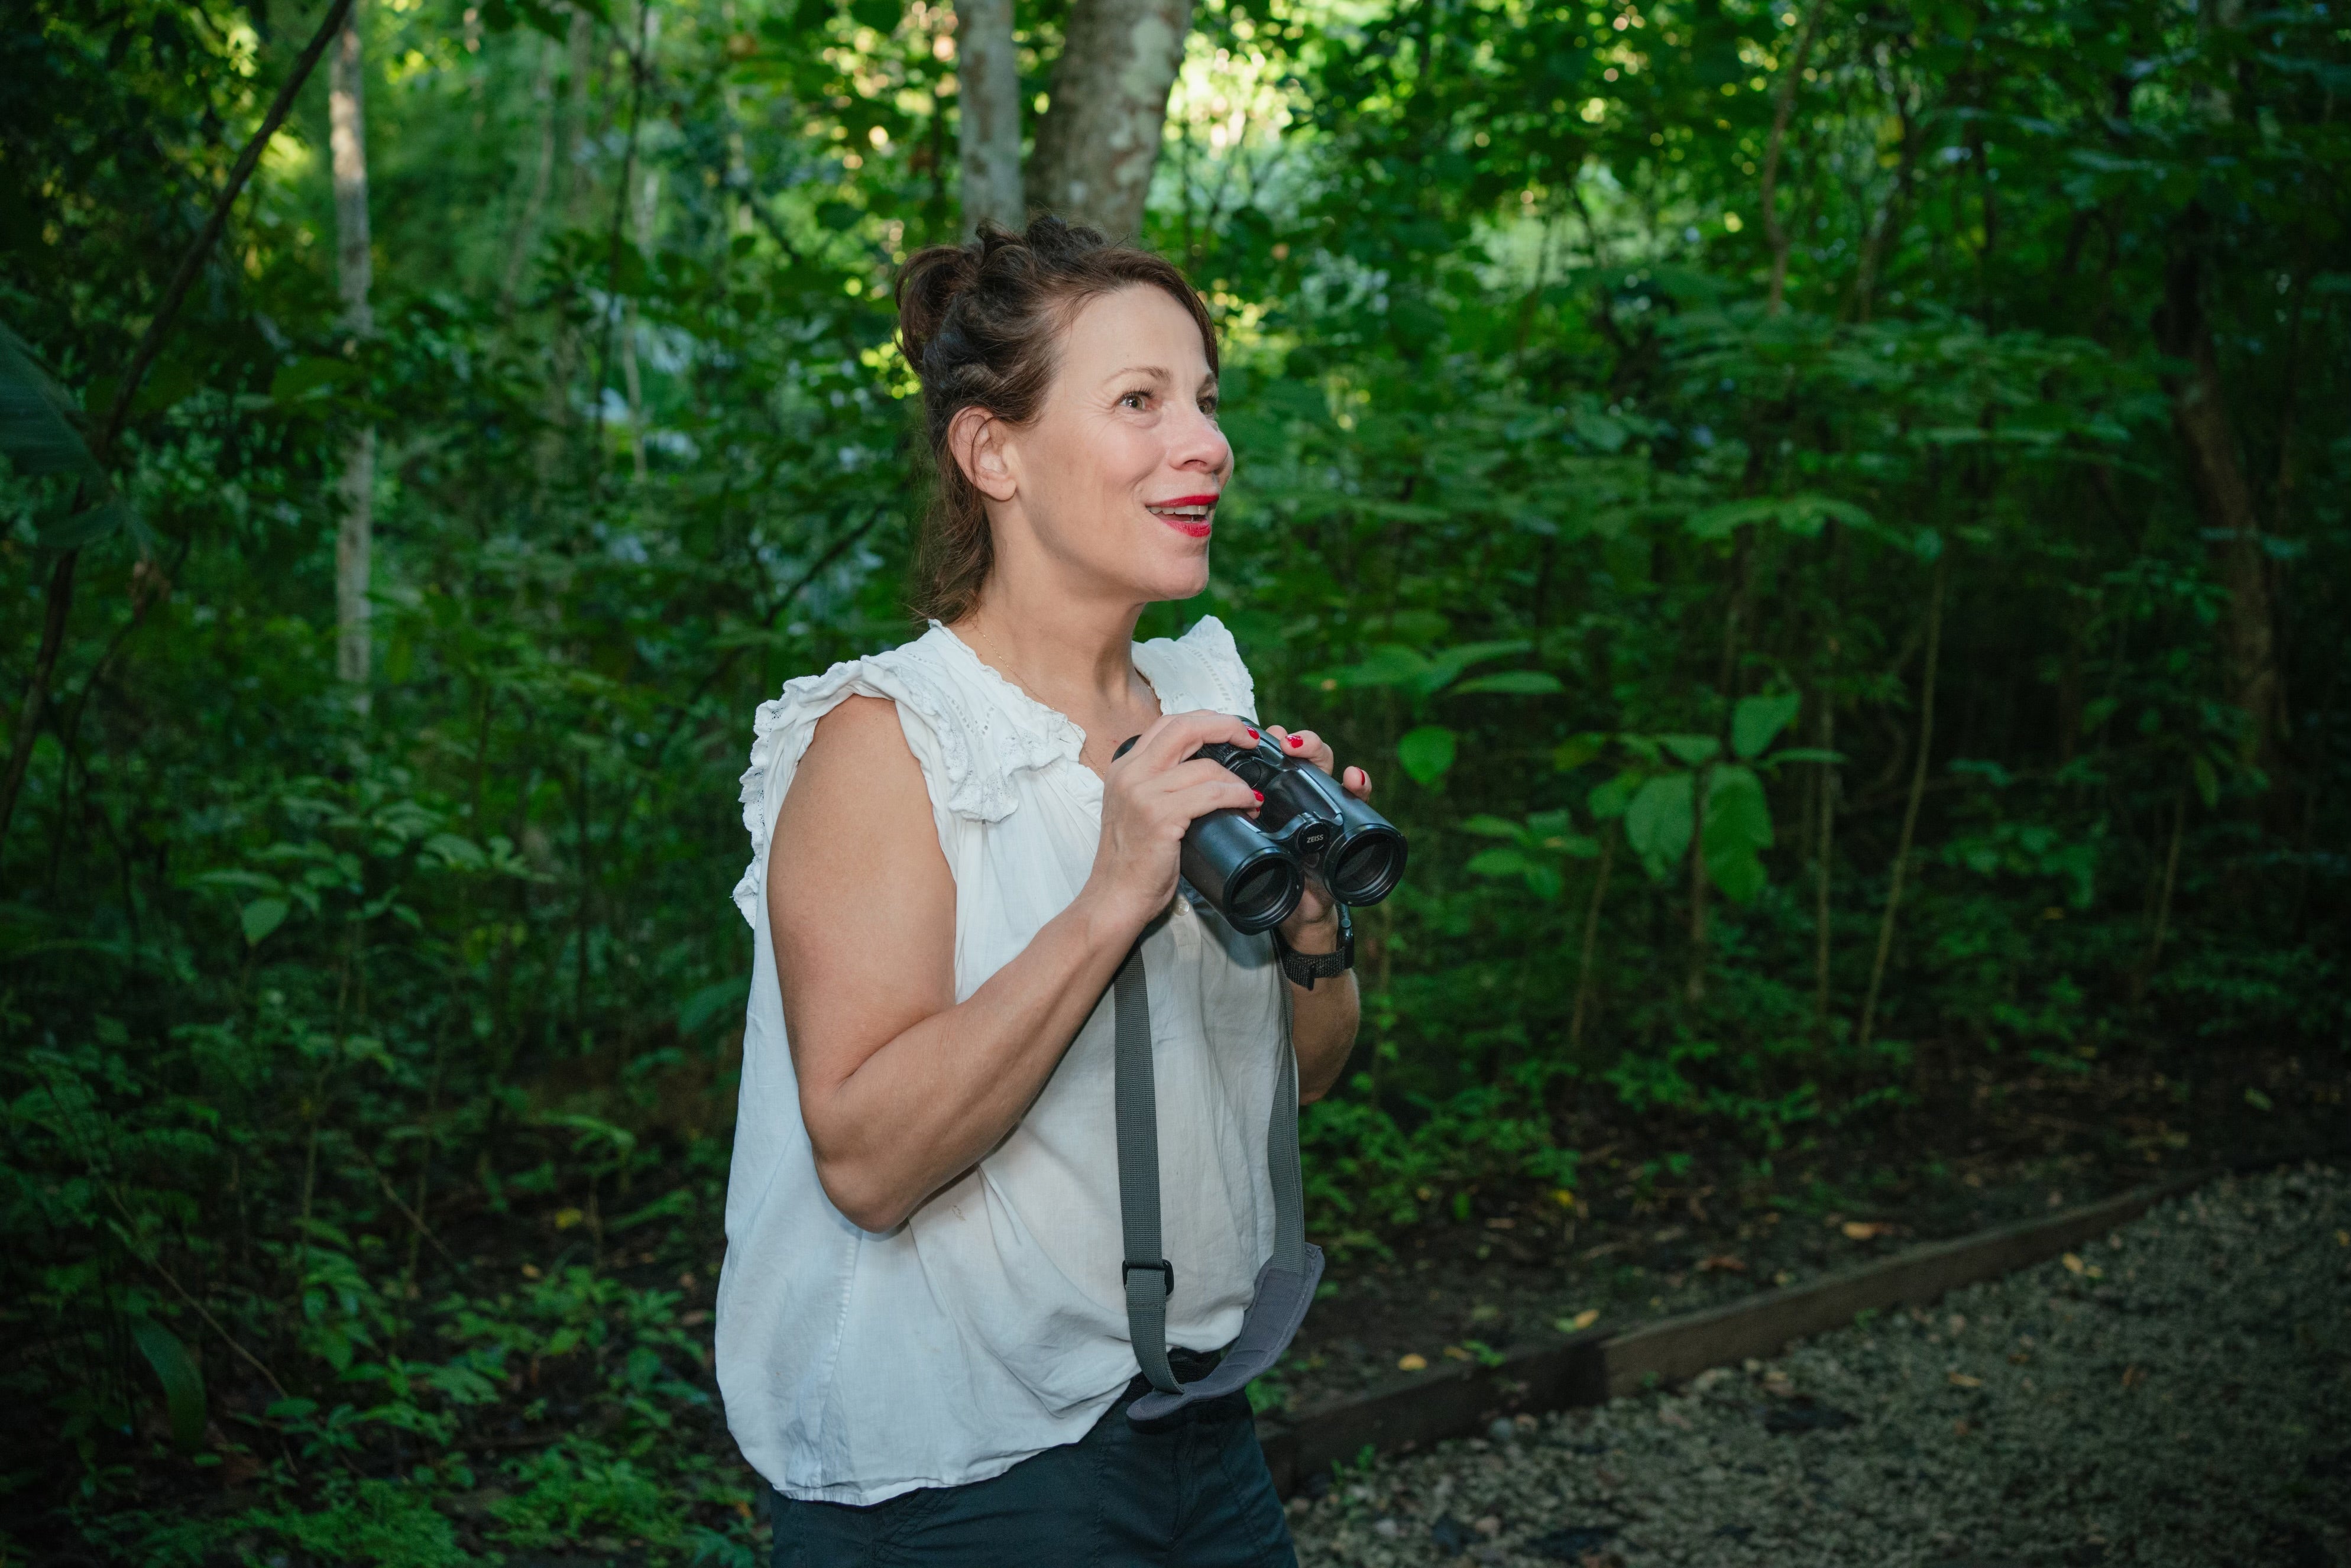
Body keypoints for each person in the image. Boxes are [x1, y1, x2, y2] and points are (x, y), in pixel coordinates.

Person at [715, 216, 1375, 1565]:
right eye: (1138, 401)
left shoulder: (1201, 700)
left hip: (1201, 1432)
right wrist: (1110, 894)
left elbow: (1300, 1080)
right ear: (991, 451)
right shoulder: (886, 745)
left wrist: (1312, 927)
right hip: (961, 1471)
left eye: (1203, 400)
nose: (1203, 444)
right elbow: (869, 1163)